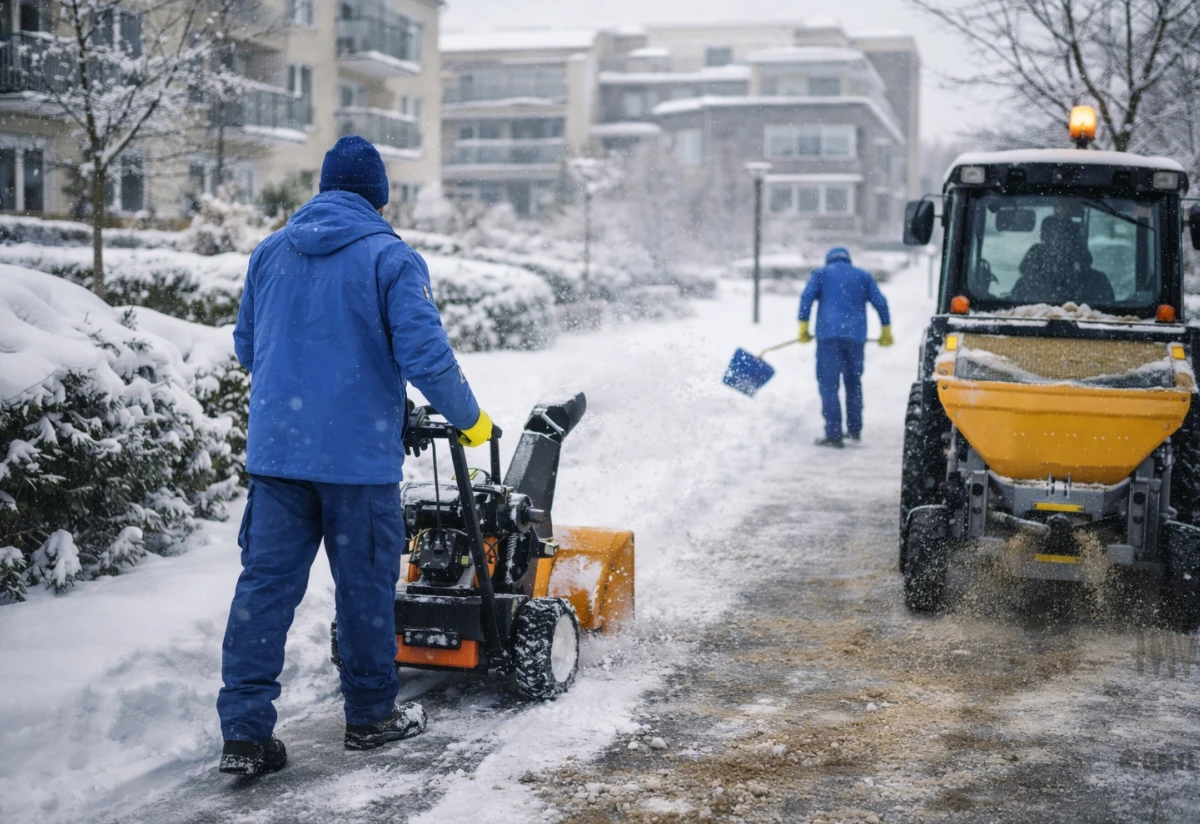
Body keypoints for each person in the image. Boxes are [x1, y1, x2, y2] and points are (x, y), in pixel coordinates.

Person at [217, 136, 493, 776]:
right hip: (357, 465)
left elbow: (247, 348)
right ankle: (371, 718)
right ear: (378, 196)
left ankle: (244, 735)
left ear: (322, 189)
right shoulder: (391, 260)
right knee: (364, 592)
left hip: (278, 460)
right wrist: (472, 421)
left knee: (262, 593)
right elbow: (425, 356)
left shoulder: (270, 252)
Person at [798, 247, 894, 448]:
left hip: (828, 338)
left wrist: (803, 326)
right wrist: (886, 329)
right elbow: (880, 302)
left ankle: (834, 433)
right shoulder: (863, 276)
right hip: (855, 338)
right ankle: (854, 428)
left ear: (829, 259)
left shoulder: (821, 274)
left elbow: (806, 297)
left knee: (829, 385)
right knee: (853, 383)